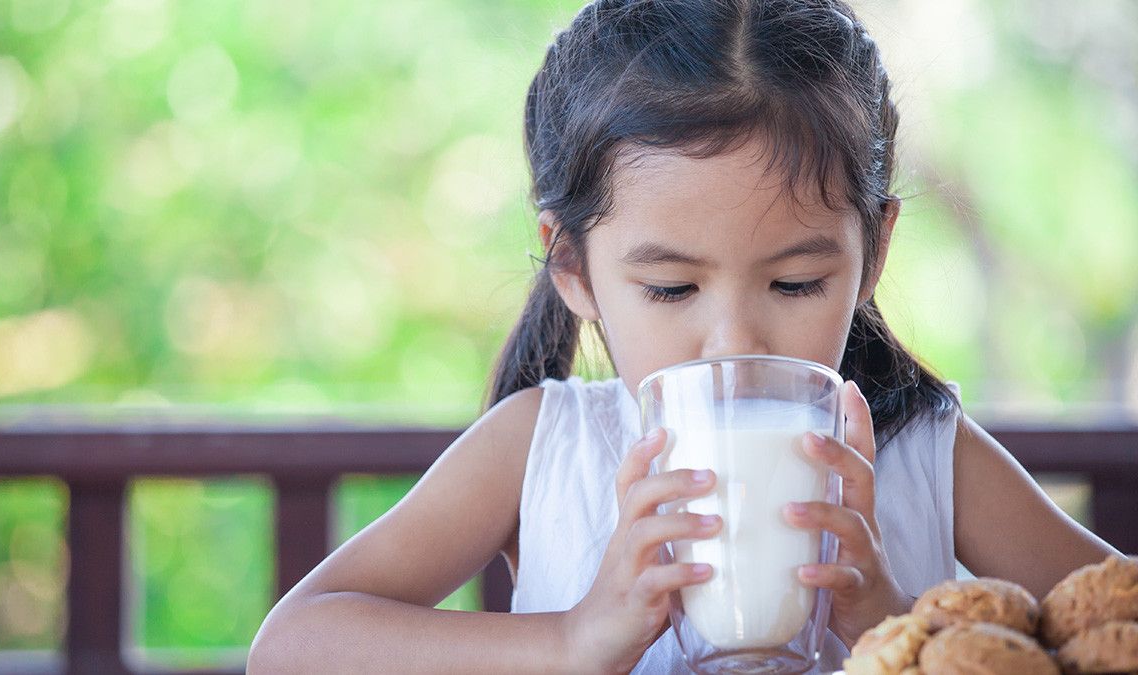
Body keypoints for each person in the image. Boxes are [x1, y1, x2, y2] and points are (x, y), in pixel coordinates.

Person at [247, 0, 1120, 671]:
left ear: (876, 248)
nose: (732, 339)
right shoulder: (543, 448)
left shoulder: (928, 453)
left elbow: (1113, 619)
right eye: (669, 287)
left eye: (796, 282)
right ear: (575, 267)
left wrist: (897, 624)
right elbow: (292, 646)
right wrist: (574, 638)